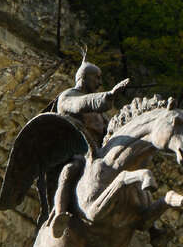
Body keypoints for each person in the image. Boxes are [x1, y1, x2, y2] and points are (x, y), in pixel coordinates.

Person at [48, 57, 129, 235]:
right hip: (77, 152)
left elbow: (107, 129)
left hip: (97, 154)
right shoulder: (68, 97)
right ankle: (59, 214)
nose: (100, 82)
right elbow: (81, 104)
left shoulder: (98, 113)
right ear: (83, 77)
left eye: (100, 78)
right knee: (71, 169)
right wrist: (108, 96)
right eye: (96, 77)